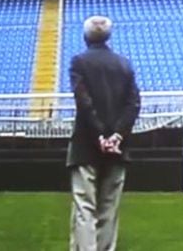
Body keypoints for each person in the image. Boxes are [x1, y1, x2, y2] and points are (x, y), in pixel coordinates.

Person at [68, 15, 140, 251]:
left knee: (84, 207)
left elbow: (84, 102)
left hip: (86, 147)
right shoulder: (124, 64)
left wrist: (100, 135)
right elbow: (133, 104)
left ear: (85, 36)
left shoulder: (79, 62)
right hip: (118, 149)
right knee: (109, 210)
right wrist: (116, 137)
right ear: (109, 36)